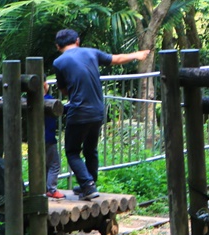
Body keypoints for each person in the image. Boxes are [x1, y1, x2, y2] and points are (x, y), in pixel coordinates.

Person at [52, 29, 150, 201]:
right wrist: (137, 55)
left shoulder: (59, 62)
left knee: (72, 151)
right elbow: (117, 59)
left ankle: (88, 185)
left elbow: (64, 90)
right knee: (91, 149)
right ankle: (90, 183)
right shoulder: (91, 52)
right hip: (98, 111)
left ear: (58, 46)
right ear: (77, 41)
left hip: (78, 111)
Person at [44, 83, 65, 199]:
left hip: (37, 139)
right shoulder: (49, 100)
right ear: (44, 85)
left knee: (43, 164)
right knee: (54, 164)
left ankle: (43, 188)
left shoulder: (30, 101)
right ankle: (52, 189)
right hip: (49, 138)